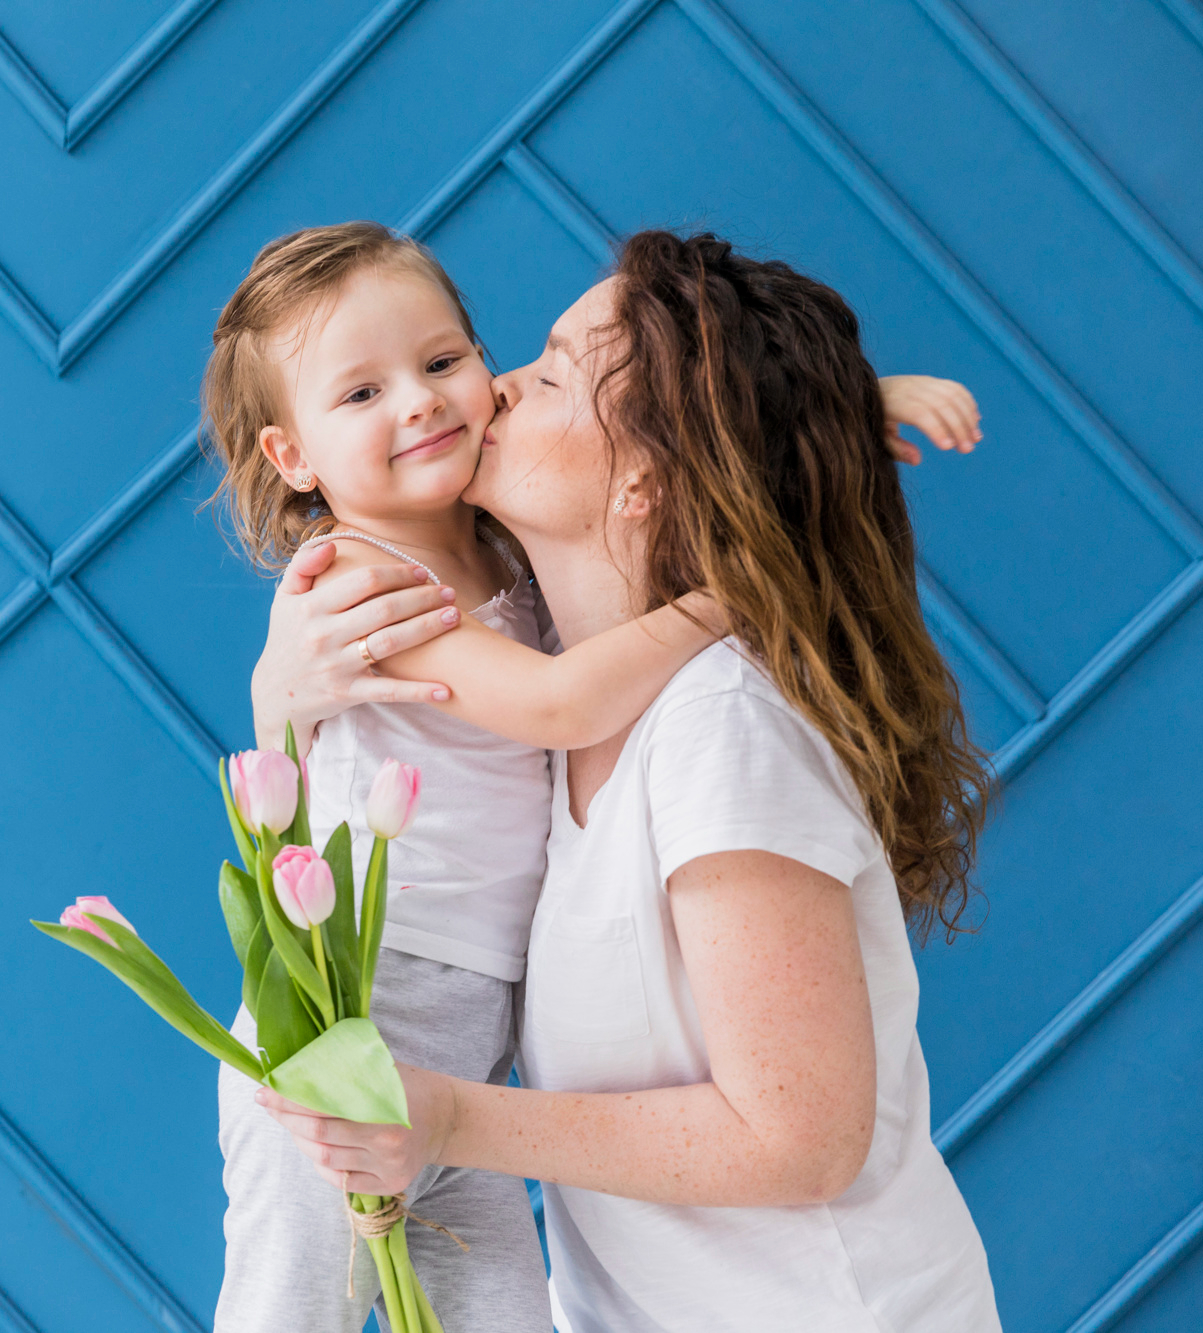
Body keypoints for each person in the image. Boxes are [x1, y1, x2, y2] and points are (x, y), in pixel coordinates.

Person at [206, 222, 987, 1330]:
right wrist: (279, 703)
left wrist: (770, 532)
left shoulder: (712, 719)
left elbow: (798, 1136)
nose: (480, 395)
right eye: (363, 392)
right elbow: (728, 445)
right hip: (369, 1032)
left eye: (471, 364)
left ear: (648, 480)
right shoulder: (493, 652)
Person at [202, 221, 726, 1333]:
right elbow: (556, 704)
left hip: (465, 1058)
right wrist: (729, 599)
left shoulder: (497, 531)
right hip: (354, 1017)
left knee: (498, 1313)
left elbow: (671, 423)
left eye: (442, 362)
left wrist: (859, 405)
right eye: (359, 394)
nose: (420, 402)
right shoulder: (355, 581)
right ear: (289, 458)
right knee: (288, 1310)